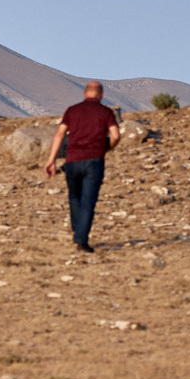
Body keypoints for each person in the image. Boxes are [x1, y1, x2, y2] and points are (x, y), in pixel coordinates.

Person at [41, 80, 123, 253]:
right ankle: (81, 240)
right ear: (101, 95)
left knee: (74, 197)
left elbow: (59, 134)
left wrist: (51, 160)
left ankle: (78, 231)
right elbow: (115, 135)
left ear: (85, 93)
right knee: (88, 201)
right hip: (94, 161)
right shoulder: (106, 112)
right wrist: (107, 148)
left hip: (72, 161)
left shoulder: (72, 111)